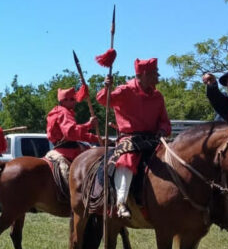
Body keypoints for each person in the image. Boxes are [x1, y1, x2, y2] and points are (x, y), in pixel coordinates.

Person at [96, 58, 171, 219]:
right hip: (130, 138)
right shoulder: (125, 90)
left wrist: (163, 130)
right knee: (127, 159)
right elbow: (103, 100)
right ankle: (121, 202)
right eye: (154, 73)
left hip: (153, 138)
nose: (158, 76)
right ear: (144, 74)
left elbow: (164, 121)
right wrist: (106, 87)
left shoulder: (158, 96)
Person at [46, 87, 100, 162]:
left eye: (74, 99)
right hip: (69, 151)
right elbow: (71, 133)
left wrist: (98, 139)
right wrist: (89, 124)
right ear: (64, 101)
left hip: (61, 148)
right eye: (72, 99)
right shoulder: (64, 112)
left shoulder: (57, 110)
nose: (75, 102)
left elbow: (77, 135)